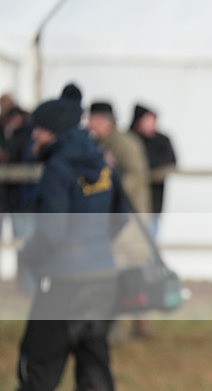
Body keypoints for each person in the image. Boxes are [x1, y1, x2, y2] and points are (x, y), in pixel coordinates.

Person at [0, 86, 128, 391]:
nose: (35, 136)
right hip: (103, 278)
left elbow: (51, 232)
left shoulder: (57, 168)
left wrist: (28, 258)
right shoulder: (102, 162)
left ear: (53, 131)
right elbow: (123, 216)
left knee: (37, 365)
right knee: (94, 365)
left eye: (39, 130)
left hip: (64, 282)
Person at [88, 101, 153, 339]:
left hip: (129, 219)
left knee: (126, 271)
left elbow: (135, 175)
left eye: (92, 119)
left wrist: (107, 194)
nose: (88, 124)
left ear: (103, 120)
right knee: (123, 271)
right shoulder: (105, 143)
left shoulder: (123, 144)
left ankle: (126, 325)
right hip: (121, 217)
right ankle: (127, 324)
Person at [128, 103, 176, 237]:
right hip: (130, 202)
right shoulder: (129, 140)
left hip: (154, 201)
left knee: (150, 239)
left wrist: (147, 170)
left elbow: (170, 163)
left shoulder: (162, 141)